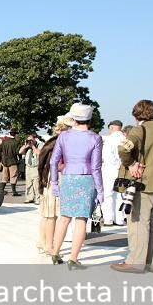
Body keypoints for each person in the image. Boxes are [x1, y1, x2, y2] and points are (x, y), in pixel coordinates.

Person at [110, 100, 153, 273]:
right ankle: (152, 262)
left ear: (137, 114)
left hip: (143, 182)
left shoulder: (140, 130)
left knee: (138, 223)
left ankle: (136, 261)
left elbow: (123, 148)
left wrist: (132, 164)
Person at [49, 103, 103, 268]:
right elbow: (96, 167)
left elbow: (54, 161)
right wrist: (100, 190)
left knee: (64, 218)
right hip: (86, 179)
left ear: (73, 118)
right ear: (89, 118)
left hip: (68, 178)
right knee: (81, 220)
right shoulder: (95, 138)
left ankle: (55, 253)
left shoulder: (63, 136)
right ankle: (73, 258)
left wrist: (54, 182)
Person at [37, 116, 74, 254]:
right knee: (52, 215)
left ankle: (42, 242)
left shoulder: (52, 141)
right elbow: (57, 164)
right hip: (55, 179)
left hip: (47, 179)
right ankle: (48, 245)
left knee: (46, 215)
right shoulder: (62, 141)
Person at [101, 120, 126, 225]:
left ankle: (108, 219)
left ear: (111, 128)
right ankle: (119, 219)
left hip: (109, 170)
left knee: (108, 195)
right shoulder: (126, 139)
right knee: (120, 195)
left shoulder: (109, 140)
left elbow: (104, 157)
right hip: (122, 170)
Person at [0, 129, 21, 195]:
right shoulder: (17, 142)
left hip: (4, 161)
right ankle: (14, 192)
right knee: (13, 176)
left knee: (4, 177)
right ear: (15, 134)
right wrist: (20, 159)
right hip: (13, 161)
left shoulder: (4, 142)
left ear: (10, 134)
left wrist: (0, 159)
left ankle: (1, 191)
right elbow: (18, 152)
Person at [19, 134, 41, 204]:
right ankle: (29, 198)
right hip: (28, 167)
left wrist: (33, 146)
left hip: (36, 167)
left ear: (34, 139)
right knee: (28, 184)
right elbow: (20, 152)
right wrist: (26, 146)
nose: (29, 141)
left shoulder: (39, 145)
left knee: (36, 184)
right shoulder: (27, 146)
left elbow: (39, 153)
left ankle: (38, 198)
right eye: (28, 140)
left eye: (31, 140)